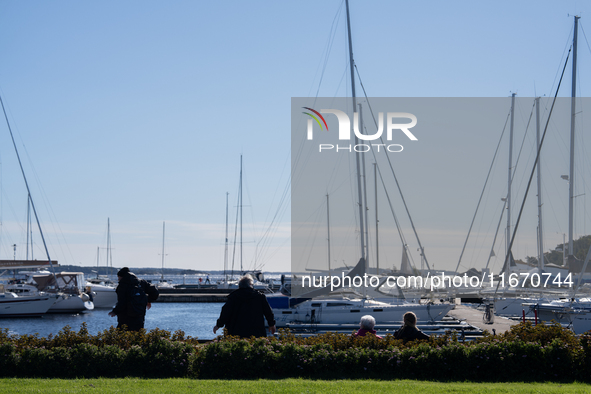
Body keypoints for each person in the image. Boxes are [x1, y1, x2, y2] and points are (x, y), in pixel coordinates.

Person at [108, 267, 159, 331]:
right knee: (138, 336)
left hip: (125, 317)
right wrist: (148, 300)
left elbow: (122, 302)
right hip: (139, 316)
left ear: (121, 276)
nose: (118, 280)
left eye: (118, 278)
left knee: (122, 336)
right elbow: (155, 292)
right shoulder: (141, 283)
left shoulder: (122, 286)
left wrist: (115, 311)